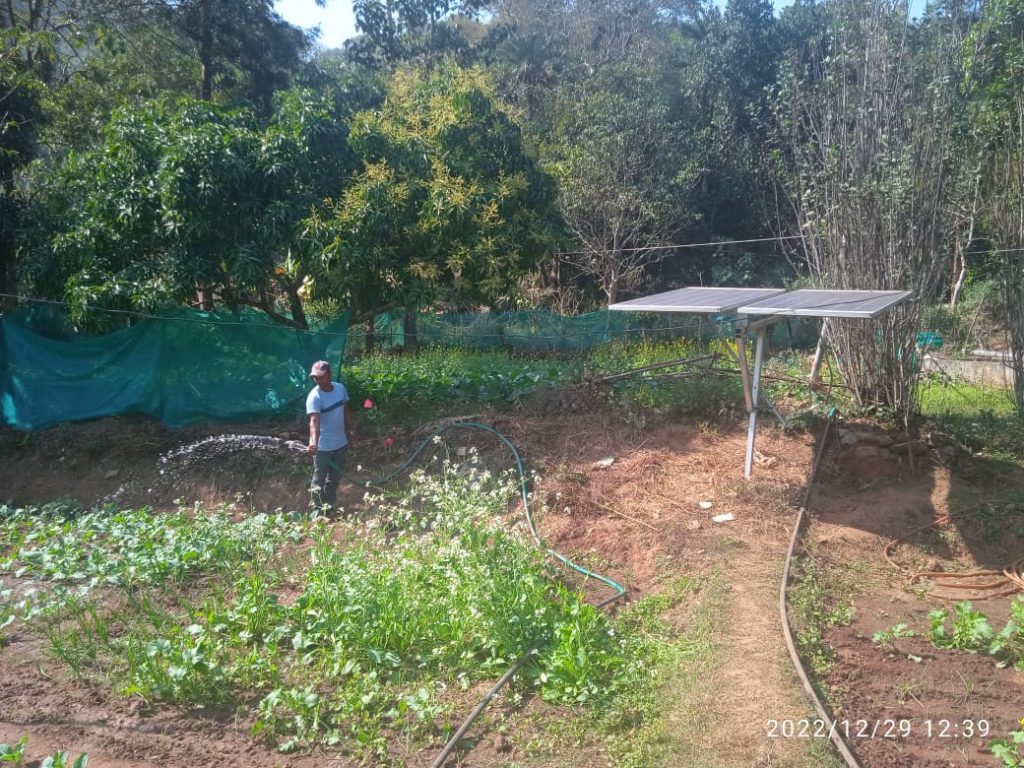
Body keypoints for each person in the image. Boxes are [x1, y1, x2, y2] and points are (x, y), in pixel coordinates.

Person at [306, 360, 354, 515]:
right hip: (323, 447)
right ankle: (317, 512)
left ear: (329, 374)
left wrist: (351, 429)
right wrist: (314, 443)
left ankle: (329, 507)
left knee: (334, 479)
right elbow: (314, 421)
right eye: (315, 377)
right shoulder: (315, 396)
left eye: (320, 377)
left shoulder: (340, 389)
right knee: (318, 480)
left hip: (340, 443)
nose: (317, 380)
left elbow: (346, 409)